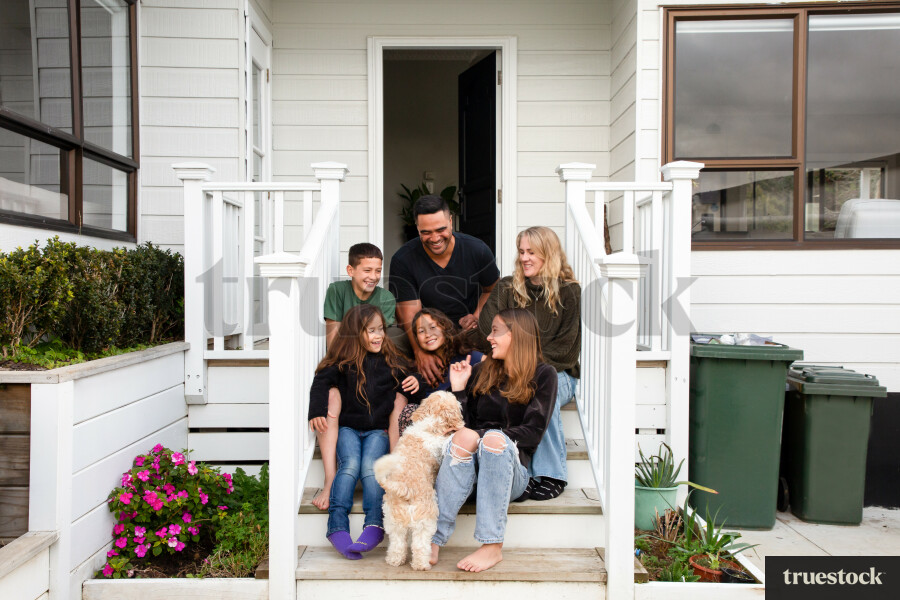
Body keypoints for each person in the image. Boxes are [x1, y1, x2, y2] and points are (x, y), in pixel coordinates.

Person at [430, 308, 557, 573]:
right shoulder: (481, 371)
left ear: (517, 335)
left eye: (496, 331)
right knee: (465, 435)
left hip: (510, 474)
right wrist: (459, 388)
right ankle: (432, 538)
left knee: (494, 441)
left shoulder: (544, 375)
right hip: (470, 473)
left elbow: (533, 432)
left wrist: (488, 437)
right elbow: (464, 425)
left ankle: (491, 545)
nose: (488, 337)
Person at [308, 304, 420, 560]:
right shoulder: (342, 363)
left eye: (381, 329)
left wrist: (419, 382)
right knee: (348, 467)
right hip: (348, 428)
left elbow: (414, 379)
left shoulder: (391, 361)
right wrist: (316, 410)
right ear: (355, 333)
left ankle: (374, 525)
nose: (378, 335)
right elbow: (321, 382)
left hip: (377, 432)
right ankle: (337, 525)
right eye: (371, 331)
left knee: (370, 469)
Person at [478, 226, 580, 501]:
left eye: (532, 252)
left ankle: (550, 474)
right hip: (510, 371)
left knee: (544, 385)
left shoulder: (569, 292)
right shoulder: (508, 287)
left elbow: (565, 350)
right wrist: (516, 363)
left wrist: (524, 363)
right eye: (521, 251)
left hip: (559, 373)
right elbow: (485, 329)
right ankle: (519, 472)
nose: (524, 258)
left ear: (549, 254)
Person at [313, 243, 403, 511]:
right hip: (344, 365)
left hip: (374, 367)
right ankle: (330, 478)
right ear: (350, 269)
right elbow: (334, 340)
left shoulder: (385, 297)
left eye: (378, 270)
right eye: (367, 270)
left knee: (394, 399)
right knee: (331, 396)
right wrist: (345, 368)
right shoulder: (338, 292)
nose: (373, 276)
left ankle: (393, 469)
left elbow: (380, 341)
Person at [389, 194, 499, 387]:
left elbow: (492, 289)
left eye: (441, 229)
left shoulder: (477, 249)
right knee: (390, 338)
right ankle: (405, 391)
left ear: (451, 221)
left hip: (466, 333)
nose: (435, 238)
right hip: (425, 333)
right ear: (417, 228)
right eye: (426, 232)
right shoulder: (403, 259)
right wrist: (420, 352)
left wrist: (477, 315)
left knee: (498, 333)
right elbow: (409, 314)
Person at [397, 307, 484, 434]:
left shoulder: (467, 357)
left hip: (465, 429)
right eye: (421, 331)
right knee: (408, 406)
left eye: (433, 327)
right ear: (416, 339)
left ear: (445, 328)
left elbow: (494, 367)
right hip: (432, 434)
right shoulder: (419, 370)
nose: (428, 334)